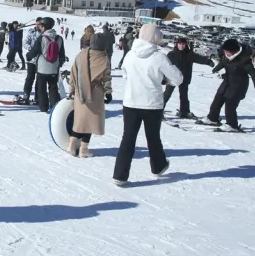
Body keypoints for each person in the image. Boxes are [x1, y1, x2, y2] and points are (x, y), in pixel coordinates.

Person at [113, 24, 183, 186]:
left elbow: (125, 75)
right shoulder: (159, 56)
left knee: (128, 139)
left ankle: (119, 175)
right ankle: (158, 167)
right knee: (153, 138)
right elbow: (178, 79)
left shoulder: (130, 55)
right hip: (152, 104)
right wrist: (165, 80)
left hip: (131, 103)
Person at [198, 39, 255, 131]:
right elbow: (223, 63)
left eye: (227, 51)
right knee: (217, 100)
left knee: (230, 105)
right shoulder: (228, 57)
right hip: (227, 83)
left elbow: (253, 72)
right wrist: (216, 69)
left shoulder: (244, 60)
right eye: (225, 51)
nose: (226, 53)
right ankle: (212, 118)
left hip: (238, 86)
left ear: (234, 51)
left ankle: (232, 125)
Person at [68, 33, 112, 157]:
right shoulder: (104, 58)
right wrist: (108, 92)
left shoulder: (81, 55)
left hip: (80, 91)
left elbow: (73, 73)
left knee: (80, 120)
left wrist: (72, 88)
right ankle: (83, 149)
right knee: (90, 122)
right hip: (95, 93)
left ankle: (71, 145)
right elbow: (107, 77)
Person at [164, 37, 214, 118]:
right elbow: (165, 66)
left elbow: (199, 58)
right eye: (180, 44)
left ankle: (184, 112)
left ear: (186, 45)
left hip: (185, 78)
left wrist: (208, 62)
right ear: (176, 44)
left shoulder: (189, 54)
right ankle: (158, 111)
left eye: (183, 44)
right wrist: (164, 77)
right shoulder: (171, 54)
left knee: (184, 95)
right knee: (167, 94)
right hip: (172, 78)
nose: (181, 46)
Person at [26, 17, 66, 113]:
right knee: (53, 87)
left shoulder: (41, 38)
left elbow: (34, 51)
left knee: (41, 88)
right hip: (54, 68)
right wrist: (58, 64)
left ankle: (44, 107)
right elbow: (62, 55)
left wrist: (28, 56)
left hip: (42, 68)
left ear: (44, 27)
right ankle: (54, 107)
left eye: (41, 26)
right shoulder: (59, 38)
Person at [17, 18, 42, 104]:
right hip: (32, 59)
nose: (37, 26)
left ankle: (38, 97)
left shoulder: (44, 34)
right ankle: (26, 95)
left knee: (39, 79)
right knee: (30, 77)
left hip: (41, 60)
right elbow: (25, 43)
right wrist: (32, 50)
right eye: (37, 24)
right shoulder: (31, 32)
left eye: (39, 24)